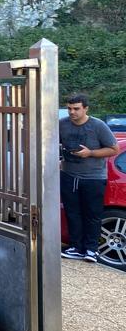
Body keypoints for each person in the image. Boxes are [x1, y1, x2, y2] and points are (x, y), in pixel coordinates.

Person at [60, 93, 119, 263]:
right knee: (72, 213)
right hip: (69, 175)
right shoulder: (62, 124)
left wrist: (90, 153)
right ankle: (76, 247)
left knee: (92, 214)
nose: (72, 112)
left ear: (85, 108)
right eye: (69, 108)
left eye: (76, 109)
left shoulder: (98, 126)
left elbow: (114, 149)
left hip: (93, 177)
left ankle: (92, 250)